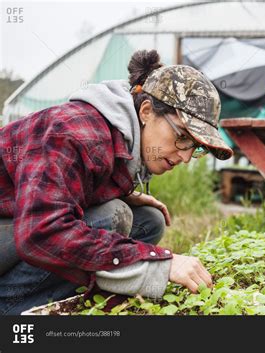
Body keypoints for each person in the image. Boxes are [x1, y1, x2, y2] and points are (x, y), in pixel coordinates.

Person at [0, 49, 233, 314]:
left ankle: (65, 301)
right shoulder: (75, 132)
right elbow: (41, 233)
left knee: (147, 219)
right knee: (112, 216)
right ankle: (10, 309)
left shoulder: (118, 137)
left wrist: (114, 191)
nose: (186, 156)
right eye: (182, 137)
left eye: (196, 148)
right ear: (146, 111)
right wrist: (160, 264)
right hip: (28, 232)